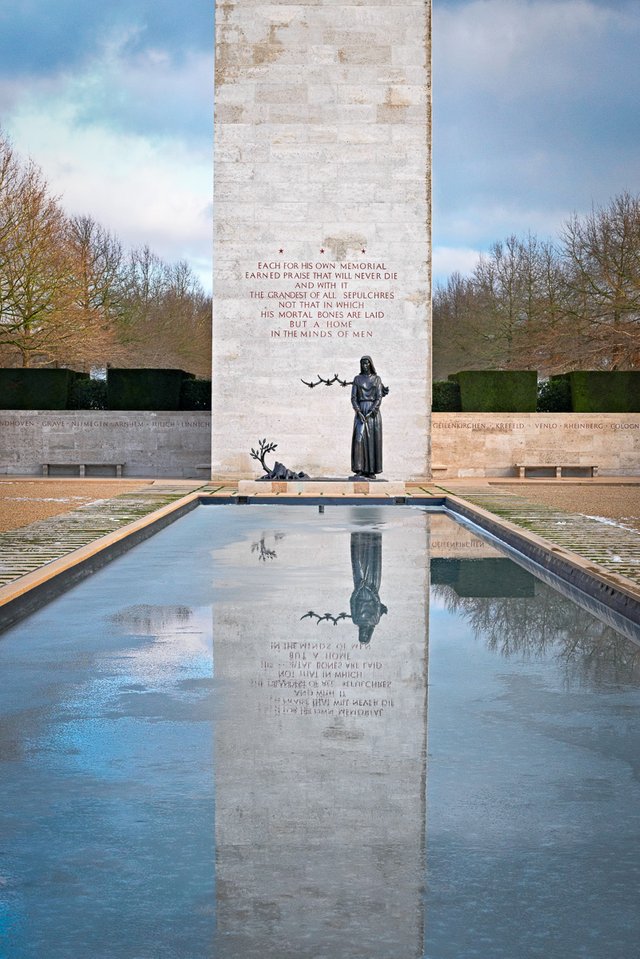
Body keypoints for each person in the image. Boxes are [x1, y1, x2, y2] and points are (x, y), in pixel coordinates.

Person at [351, 355, 384, 478]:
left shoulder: (377, 379)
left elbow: (379, 397)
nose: (364, 366)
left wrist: (371, 411)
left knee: (372, 441)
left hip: (373, 414)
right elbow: (353, 398)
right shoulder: (357, 379)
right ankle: (359, 468)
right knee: (359, 440)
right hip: (360, 412)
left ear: (370, 364)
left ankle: (371, 471)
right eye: (362, 363)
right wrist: (358, 412)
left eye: (366, 363)